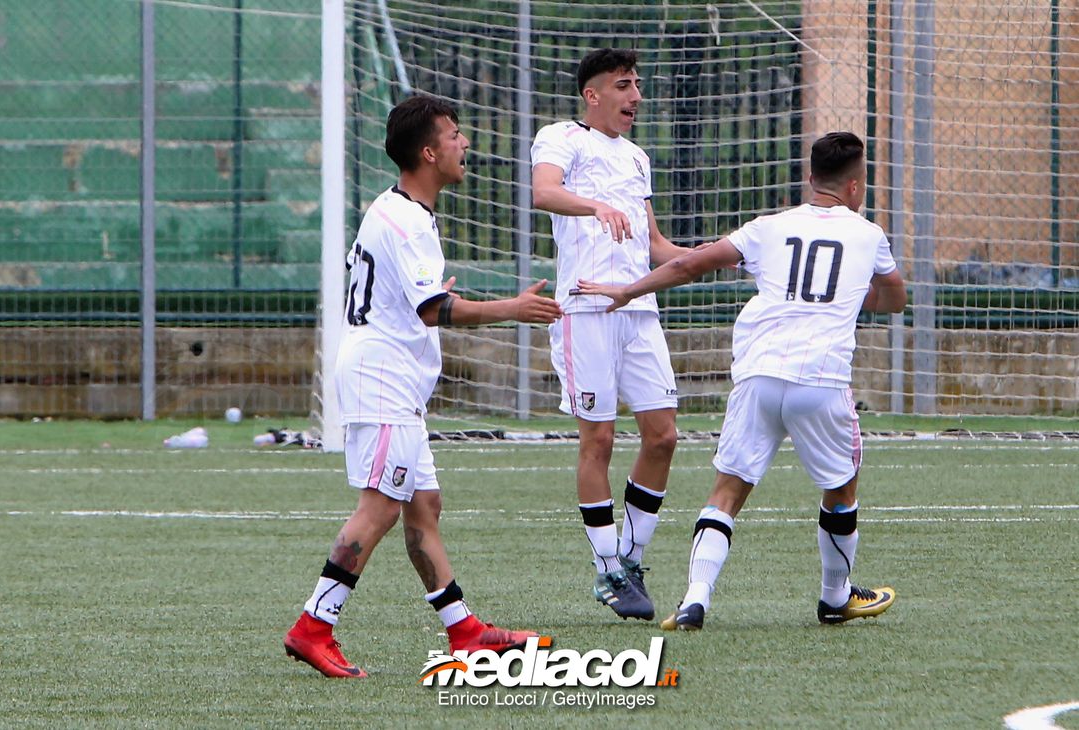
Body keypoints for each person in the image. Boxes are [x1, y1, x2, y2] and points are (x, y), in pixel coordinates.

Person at [577, 131, 908, 630]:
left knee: (727, 491)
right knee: (841, 490)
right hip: (821, 379)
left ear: (810, 178)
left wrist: (628, 291)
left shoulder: (767, 228)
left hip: (758, 374)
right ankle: (835, 596)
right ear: (856, 186)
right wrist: (851, 293)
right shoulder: (869, 235)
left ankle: (695, 599)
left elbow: (688, 264)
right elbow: (894, 298)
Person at [284, 95, 563, 678]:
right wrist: (513, 308)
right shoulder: (408, 220)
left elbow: (412, 298)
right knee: (380, 507)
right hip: (381, 379)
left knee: (424, 507)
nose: (466, 143)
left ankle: (466, 632)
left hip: (395, 382)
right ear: (429, 152)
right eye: (455, 134)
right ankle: (313, 627)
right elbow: (434, 309)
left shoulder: (400, 210)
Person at [531, 49, 706, 621]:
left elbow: (654, 246)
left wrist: (715, 255)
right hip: (585, 311)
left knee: (663, 436)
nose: (636, 96)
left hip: (638, 309)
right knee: (599, 440)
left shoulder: (636, 157)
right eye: (624, 85)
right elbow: (544, 192)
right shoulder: (561, 137)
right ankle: (607, 567)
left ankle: (629, 561)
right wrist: (597, 206)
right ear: (593, 94)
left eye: (637, 84)